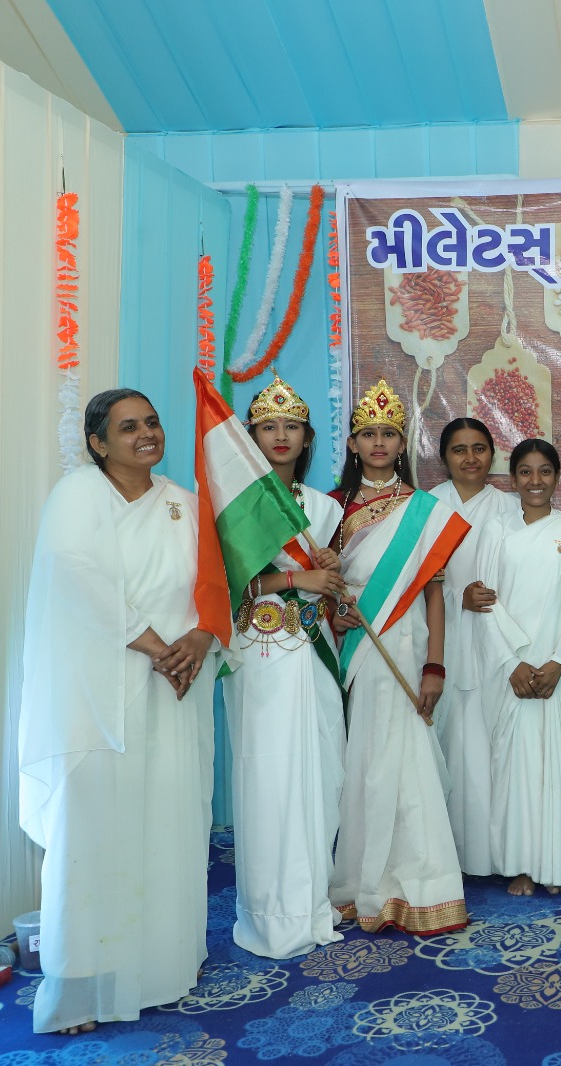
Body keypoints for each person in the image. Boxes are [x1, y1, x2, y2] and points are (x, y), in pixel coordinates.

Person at [19, 389, 217, 1034]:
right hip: (97, 693)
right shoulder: (78, 495)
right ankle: (82, 987)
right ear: (98, 443)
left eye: (152, 422)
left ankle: (162, 967)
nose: (146, 434)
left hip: (174, 688)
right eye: (128, 427)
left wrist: (198, 640)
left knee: (168, 822)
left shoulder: (183, 504)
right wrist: (156, 644)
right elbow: (77, 578)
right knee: (93, 836)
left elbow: (214, 586)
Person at [327, 380, 471, 934]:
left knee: (410, 762)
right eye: (369, 434)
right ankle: (365, 884)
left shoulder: (422, 509)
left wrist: (435, 665)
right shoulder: (333, 507)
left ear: (402, 442)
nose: (379, 443)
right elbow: (326, 587)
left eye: (389, 433)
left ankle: (425, 886)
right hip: (361, 649)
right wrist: (335, 617)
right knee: (366, 763)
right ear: (353, 444)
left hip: (407, 646)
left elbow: (435, 595)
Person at [223, 375, 350, 958]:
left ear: (307, 437)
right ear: (251, 437)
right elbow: (229, 583)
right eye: (269, 427)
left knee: (321, 771)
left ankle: (312, 899)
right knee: (270, 775)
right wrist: (298, 576)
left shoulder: (324, 508)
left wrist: (330, 574)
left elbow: (331, 589)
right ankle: (273, 911)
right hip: (262, 652)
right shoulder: (237, 503)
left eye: (291, 426)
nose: (281, 435)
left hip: (314, 650)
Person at [474, 439, 561, 895]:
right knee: (515, 771)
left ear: (557, 477)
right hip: (511, 672)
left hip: (558, 673)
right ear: (512, 479)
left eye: (545, 471)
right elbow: (485, 603)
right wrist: (512, 662)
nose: (535, 481)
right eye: (525, 472)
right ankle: (523, 866)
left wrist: (558, 662)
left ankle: (560, 865)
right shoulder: (495, 530)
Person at [429, 417, 520, 876]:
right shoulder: (426, 507)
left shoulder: (511, 507)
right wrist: (455, 597)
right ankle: (453, 858)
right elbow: (413, 584)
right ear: (444, 458)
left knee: (496, 749)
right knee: (455, 745)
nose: (470, 458)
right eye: (459, 449)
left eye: (479, 448)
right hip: (445, 643)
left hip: (500, 645)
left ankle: (500, 854)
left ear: (493, 454)